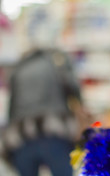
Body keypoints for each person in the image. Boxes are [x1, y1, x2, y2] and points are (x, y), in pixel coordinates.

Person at [2, 47, 87, 176]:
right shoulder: (56, 63)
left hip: (23, 136)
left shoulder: (18, 69)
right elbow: (73, 90)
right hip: (54, 130)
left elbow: (11, 108)